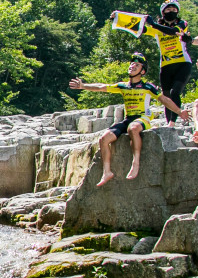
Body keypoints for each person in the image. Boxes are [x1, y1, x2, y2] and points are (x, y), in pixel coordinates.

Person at [69, 53, 189, 187]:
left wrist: (179, 111)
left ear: (142, 71)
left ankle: (135, 162)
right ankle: (107, 172)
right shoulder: (123, 86)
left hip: (143, 118)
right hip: (128, 118)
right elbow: (102, 87)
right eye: (132, 64)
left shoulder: (148, 87)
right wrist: (83, 86)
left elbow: (164, 100)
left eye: (137, 65)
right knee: (104, 138)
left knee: (133, 128)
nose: (132, 66)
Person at [109, 0, 191, 124]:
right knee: (166, 95)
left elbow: (173, 32)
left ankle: (173, 122)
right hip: (166, 65)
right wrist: (119, 18)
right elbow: (138, 27)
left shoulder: (182, 24)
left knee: (175, 92)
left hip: (183, 63)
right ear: (163, 12)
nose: (172, 11)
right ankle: (169, 120)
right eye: (169, 9)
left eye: (174, 9)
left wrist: (153, 24)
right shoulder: (157, 30)